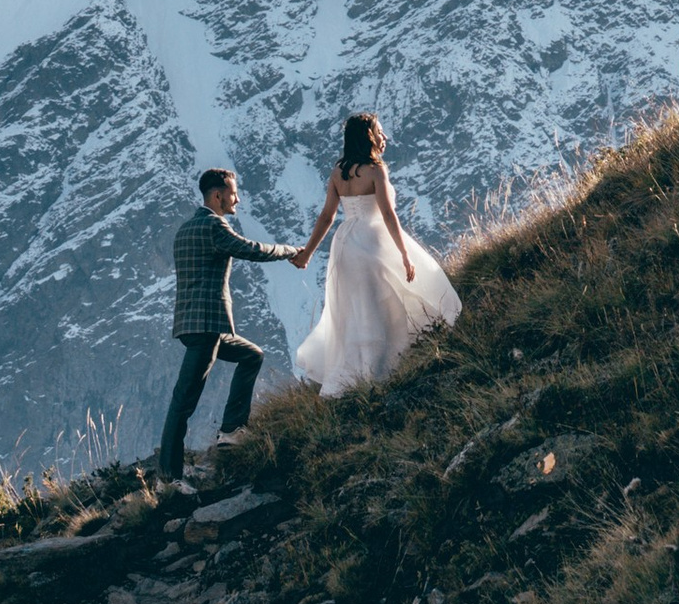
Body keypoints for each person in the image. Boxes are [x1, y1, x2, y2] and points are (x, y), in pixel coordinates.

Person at [290, 111, 462, 396]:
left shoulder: (338, 172)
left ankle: (355, 373)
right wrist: (405, 253)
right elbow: (387, 213)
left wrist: (307, 253)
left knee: (356, 310)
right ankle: (380, 368)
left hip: (345, 245)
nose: (385, 137)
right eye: (380, 131)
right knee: (384, 305)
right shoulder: (375, 170)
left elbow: (326, 217)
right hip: (373, 240)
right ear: (369, 136)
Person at [158, 165, 303, 481]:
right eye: (233, 194)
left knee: (252, 355)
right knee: (183, 402)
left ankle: (231, 431)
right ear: (217, 195)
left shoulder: (184, 230)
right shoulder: (214, 227)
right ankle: (169, 476)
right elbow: (251, 250)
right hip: (208, 325)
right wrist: (291, 251)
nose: (237, 200)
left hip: (190, 323)